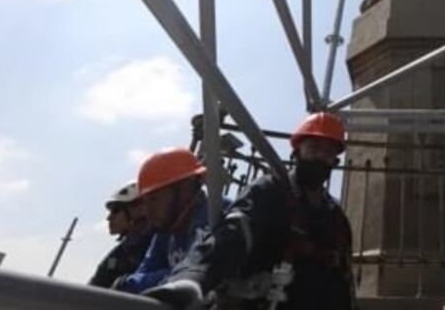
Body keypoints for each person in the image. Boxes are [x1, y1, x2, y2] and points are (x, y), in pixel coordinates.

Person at [144, 111, 354, 310]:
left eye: (328, 152)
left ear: (334, 161)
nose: (320, 157)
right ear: (297, 151)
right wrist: (192, 278)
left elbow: (345, 278)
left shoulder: (337, 218)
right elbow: (233, 232)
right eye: (314, 147)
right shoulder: (271, 192)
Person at [117, 147, 213, 294]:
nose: (148, 211)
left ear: (185, 189)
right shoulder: (167, 228)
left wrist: (132, 283)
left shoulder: (215, 217)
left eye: (154, 199)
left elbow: (194, 274)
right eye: (145, 202)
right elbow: (143, 273)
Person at [89, 181, 152, 288]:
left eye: (116, 210)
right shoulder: (118, 254)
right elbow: (96, 285)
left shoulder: (163, 244)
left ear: (140, 209)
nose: (109, 218)